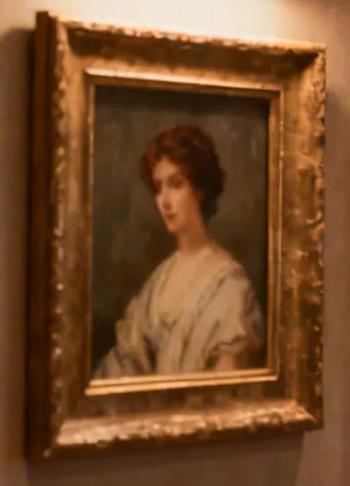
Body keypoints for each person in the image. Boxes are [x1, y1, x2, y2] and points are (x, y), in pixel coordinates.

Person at [95, 125, 264, 379]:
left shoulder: (232, 288)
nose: (164, 201)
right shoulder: (159, 279)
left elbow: (226, 395)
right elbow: (124, 363)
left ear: (200, 189)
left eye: (176, 184)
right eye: (158, 187)